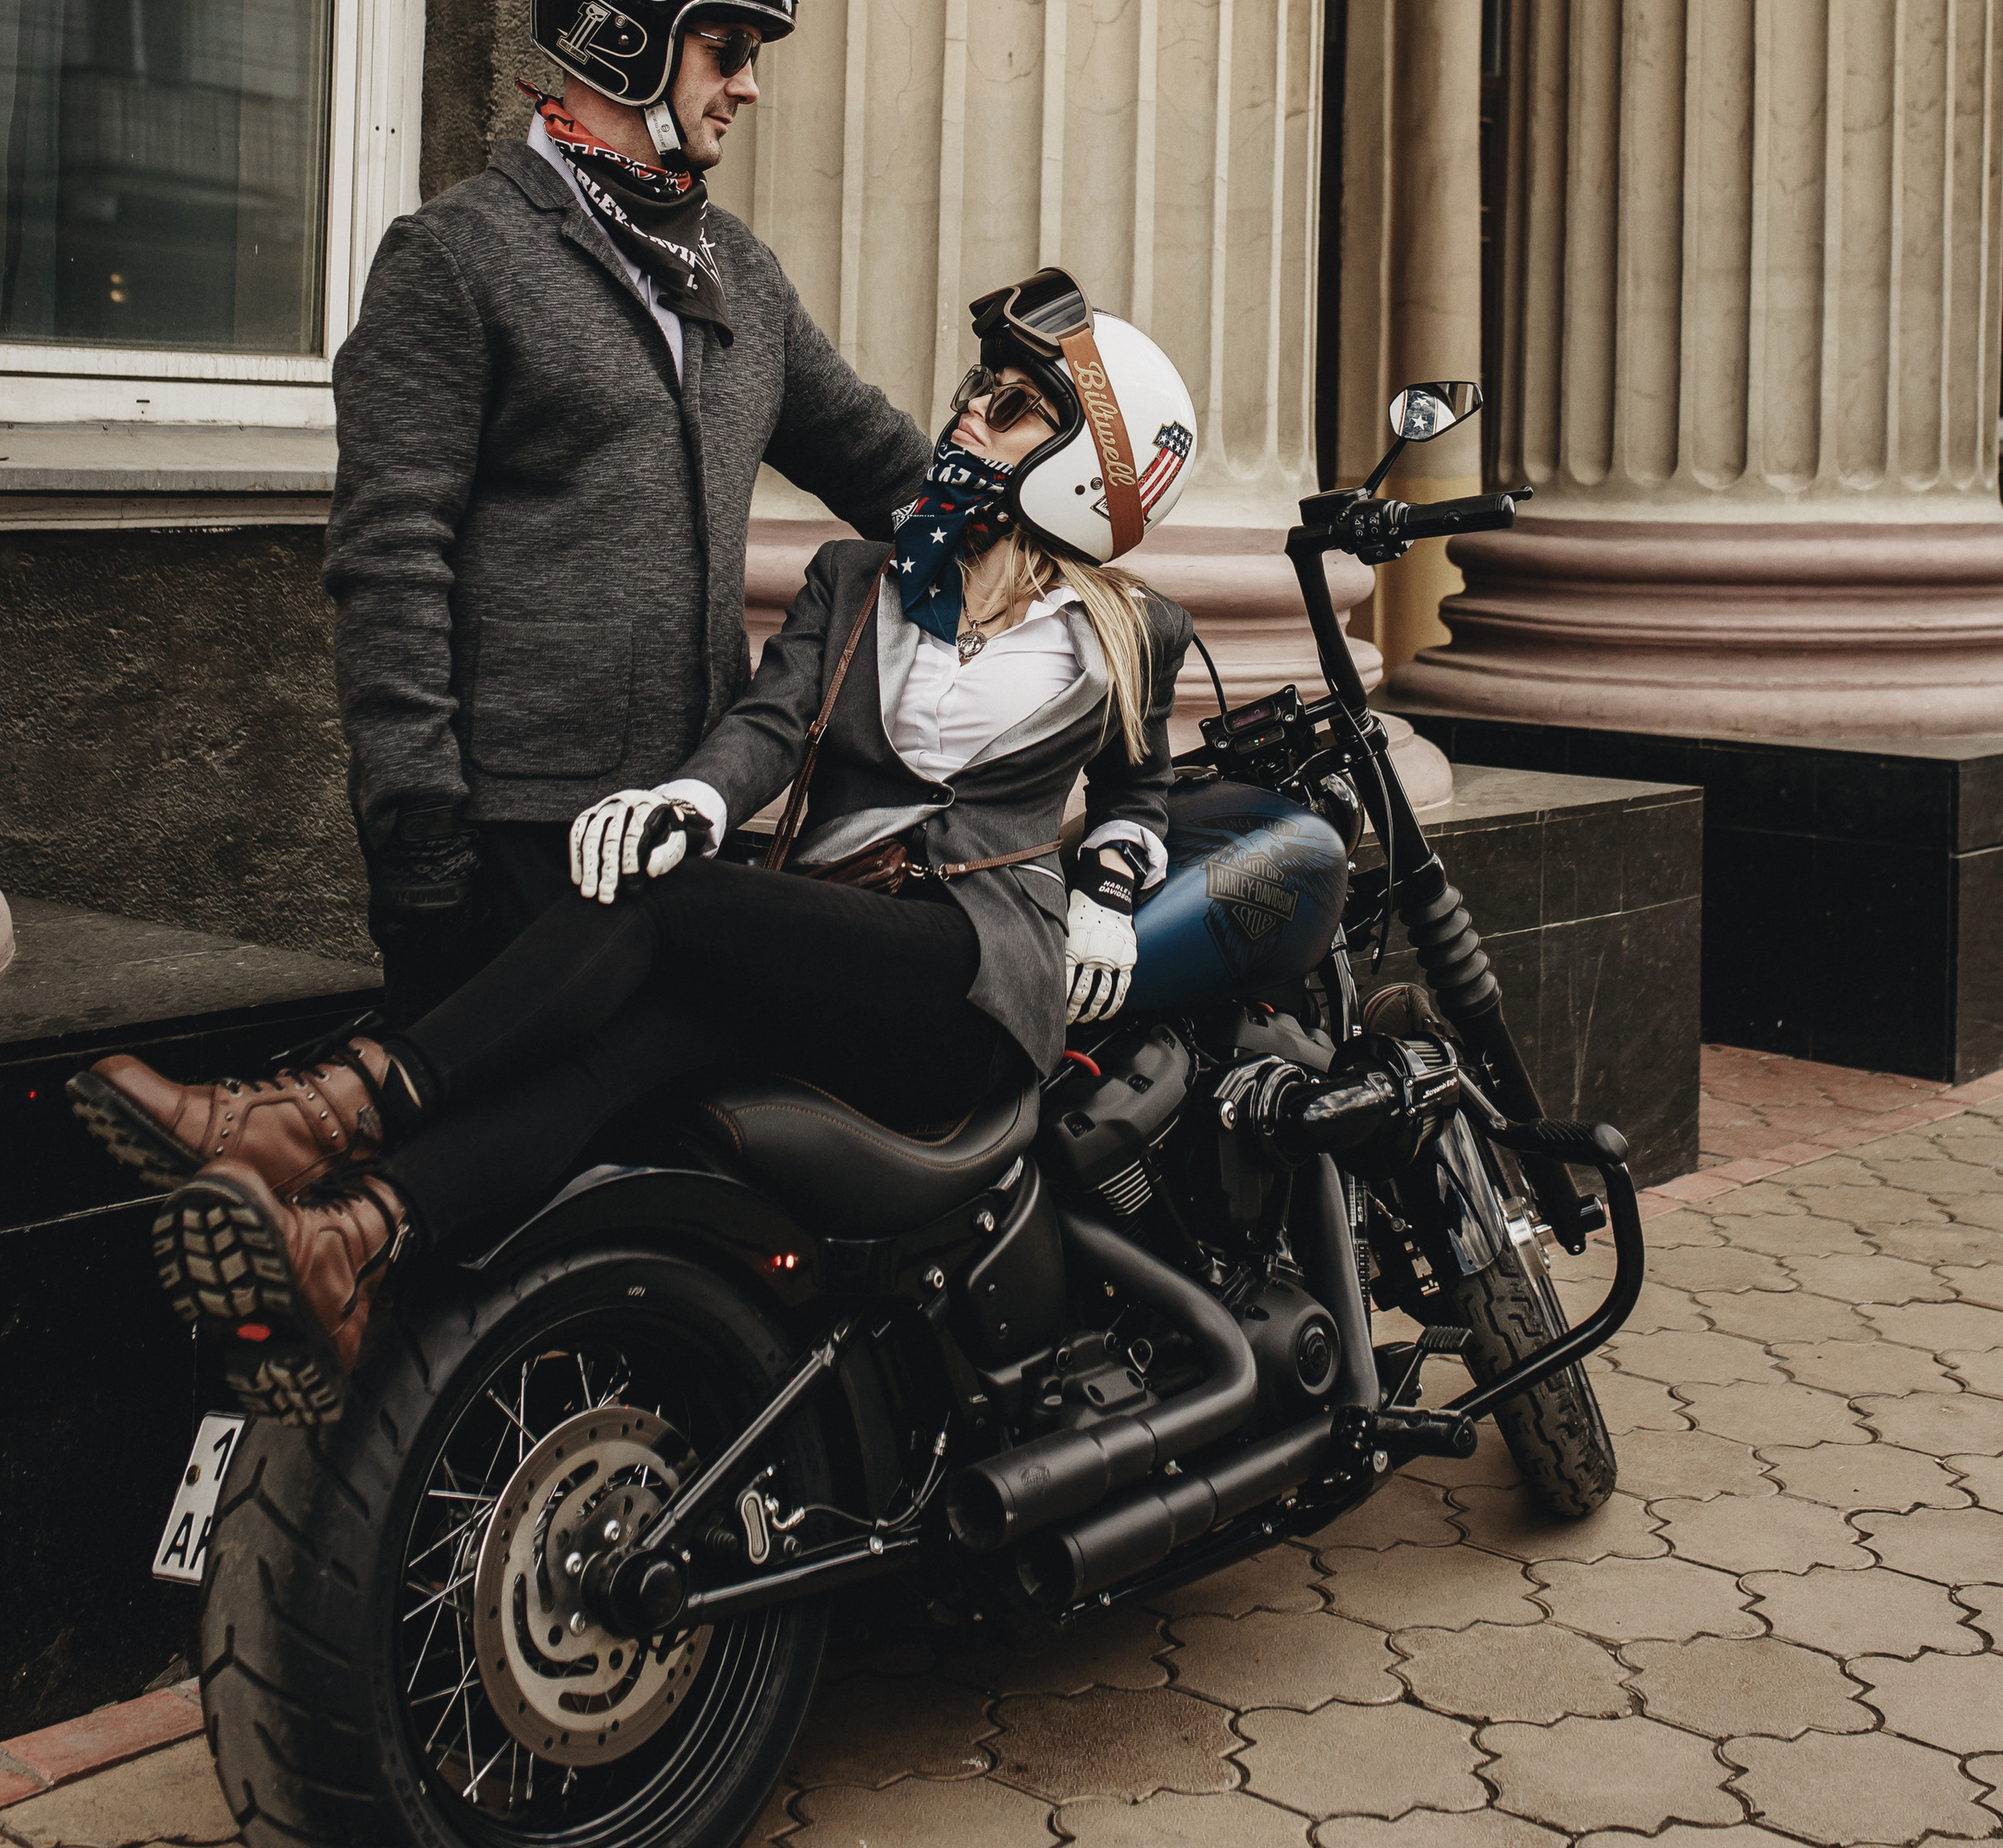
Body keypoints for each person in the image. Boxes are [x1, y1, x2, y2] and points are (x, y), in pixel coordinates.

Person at [71, 271, 1201, 1425]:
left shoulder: (1128, 631)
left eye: (1013, 405)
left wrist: (1111, 883)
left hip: (964, 984)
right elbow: (769, 721)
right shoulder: (864, 579)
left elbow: (1139, 780)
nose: (967, 413)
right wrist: (697, 803)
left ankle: (327, 1112)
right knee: (629, 1050)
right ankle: (358, 1240)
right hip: (831, 947)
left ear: (1086, 465)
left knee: (670, 910)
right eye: (980, 388)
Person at [322, 0, 930, 1015]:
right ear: (627, 37)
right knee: (504, 1166)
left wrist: (1042, 514)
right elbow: (389, 562)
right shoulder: (457, 257)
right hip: (515, 830)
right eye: (727, 48)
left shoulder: (735, 270)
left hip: (686, 821)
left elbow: (884, 466)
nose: (749, 86)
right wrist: (416, 838)